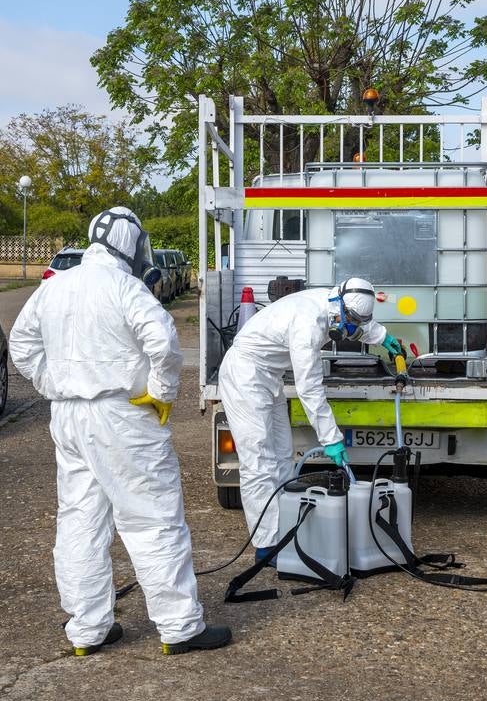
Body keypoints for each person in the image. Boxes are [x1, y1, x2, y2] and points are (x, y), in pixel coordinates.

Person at [9, 207, 231, 656]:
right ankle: (179, 627)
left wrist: (53, 385)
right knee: (152, 518)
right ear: (131, 245)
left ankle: (88, 629)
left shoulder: (54, 286)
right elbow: (163, 341)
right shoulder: (125, 287)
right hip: (123, 415)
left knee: (80, 520)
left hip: (68, 417)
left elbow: (21, 343)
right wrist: (161, 393)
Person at [218, 277, 402, 562]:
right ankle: (266, 547)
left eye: (359, 322)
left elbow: (354, 324)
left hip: (269, 377)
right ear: (339, 304)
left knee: (282, 455)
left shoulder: (332, 301)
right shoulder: (308, 324)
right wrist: (331, 439)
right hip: (245, 375)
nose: (352, 328)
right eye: (350, 320)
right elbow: (309, 389)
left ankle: (283, 531)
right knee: (258, 461)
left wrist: (382, 337)